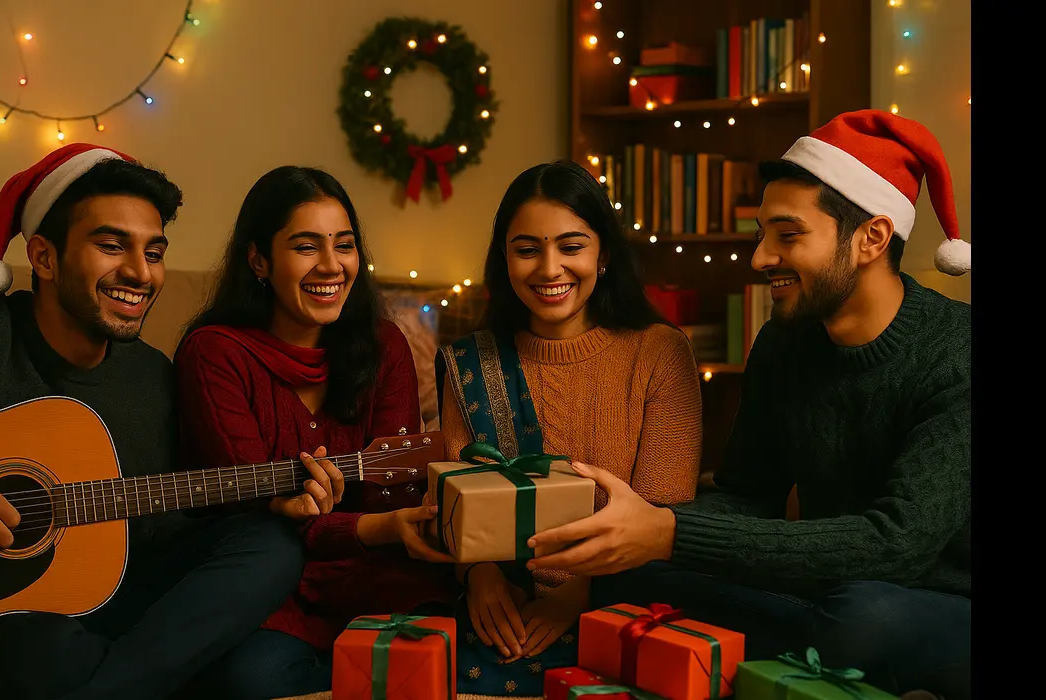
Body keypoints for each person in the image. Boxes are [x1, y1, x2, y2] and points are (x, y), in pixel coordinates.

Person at [526, 110, 971, 700]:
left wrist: (669, 533)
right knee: (621, 577)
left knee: (862, 620)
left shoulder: (956, 353)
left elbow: (898, 544)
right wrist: (635, 529)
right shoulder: (784, 343)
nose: (760, 258)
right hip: (825, 583)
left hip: (933, 597)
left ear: (872, 238)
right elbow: (748, 494)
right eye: (763, 234)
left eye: (788, 235)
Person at [0, 144, 304, 700]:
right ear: (45, 258)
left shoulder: (154, 381)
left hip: (100, 609)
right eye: (111, 245)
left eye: (154, 251)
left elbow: (165, 532)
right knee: (46, 653)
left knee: (271, 545)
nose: (139, 273)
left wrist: (271, 493)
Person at [172, 165, 457, 699]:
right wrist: (371, 525)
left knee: (458, 644)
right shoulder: (214, 354)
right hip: (269, 589)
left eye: (344, 245)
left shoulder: (384, 344)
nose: (332, 266)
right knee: (253, 680)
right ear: (259, 259)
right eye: (306, 246)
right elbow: (254, 516)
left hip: (373, 572)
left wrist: (383, 526)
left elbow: (393, 492)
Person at [435, 160, 703, 696]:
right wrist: (479, 576)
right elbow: (458, 500)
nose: (549, 269)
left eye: (571, 246)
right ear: (504, 259)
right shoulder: (472, 364)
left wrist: (575, 594)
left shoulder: (660, 353)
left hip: (623, 595)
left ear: (602, 254)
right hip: (498, 602)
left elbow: (661, 510)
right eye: (527, 249)